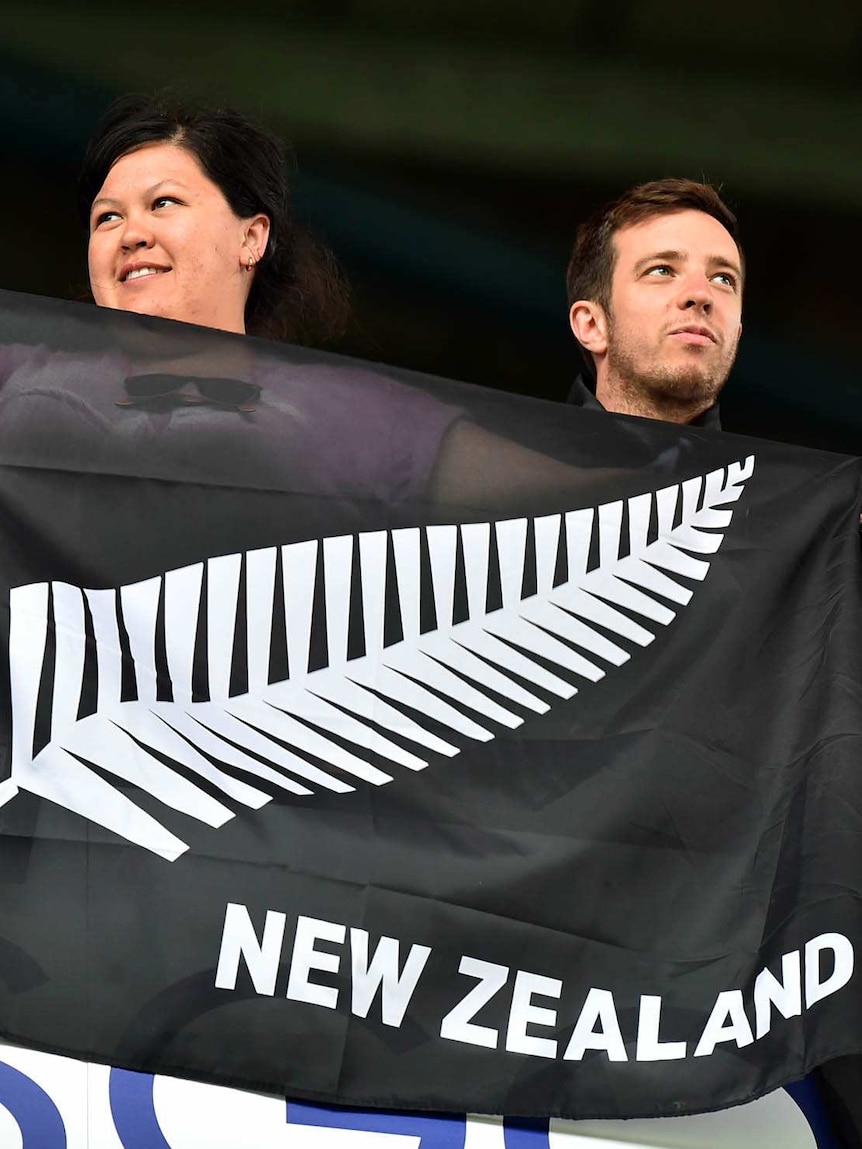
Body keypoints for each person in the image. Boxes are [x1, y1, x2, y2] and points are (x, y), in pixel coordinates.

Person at [565, 178, 744, 428]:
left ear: (737, 334)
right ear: (592, 325)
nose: (702, 294)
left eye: (722, 278)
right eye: (661, 270)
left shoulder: (798, 467)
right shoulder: (509, 464)